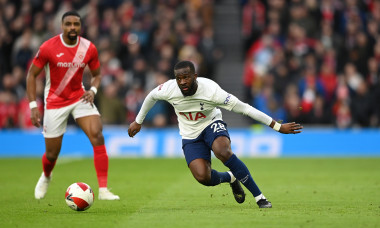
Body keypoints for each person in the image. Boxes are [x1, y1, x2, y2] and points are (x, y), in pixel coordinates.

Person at [128, 61, 302, 208]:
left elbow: (245, 108)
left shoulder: (211, 91)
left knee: (223, 151)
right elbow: (151, 96)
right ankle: (231, 178)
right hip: (190, 134)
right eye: (179, 78)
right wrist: (138, 121)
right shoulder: (168, 89)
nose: (182, 82)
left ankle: (260, 197)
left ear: (194, 77)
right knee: (203, 177)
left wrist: (277, 126)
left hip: (211, 124)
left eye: (186, 77)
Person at [26, 11, 119, 200]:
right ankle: (46, 176)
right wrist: (33, 105)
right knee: (52, 154)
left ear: (80, 26)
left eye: (76, 24)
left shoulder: (88, 48)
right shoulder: (48, 47)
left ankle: (103, 190)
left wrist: (92, 91)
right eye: (68, 24)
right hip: (54, 102)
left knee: (97, 134)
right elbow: (31, 75)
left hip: (79, 97)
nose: (72, 27)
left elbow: (97, 75)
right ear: (62, 26)